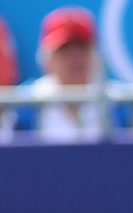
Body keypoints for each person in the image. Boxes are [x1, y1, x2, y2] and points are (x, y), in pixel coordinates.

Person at [19, 8, 110, 142]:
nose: (74, 58)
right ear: (46, 59)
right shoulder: (24, 108)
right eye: (64, 51)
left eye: (81, 49)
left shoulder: (118, 105)